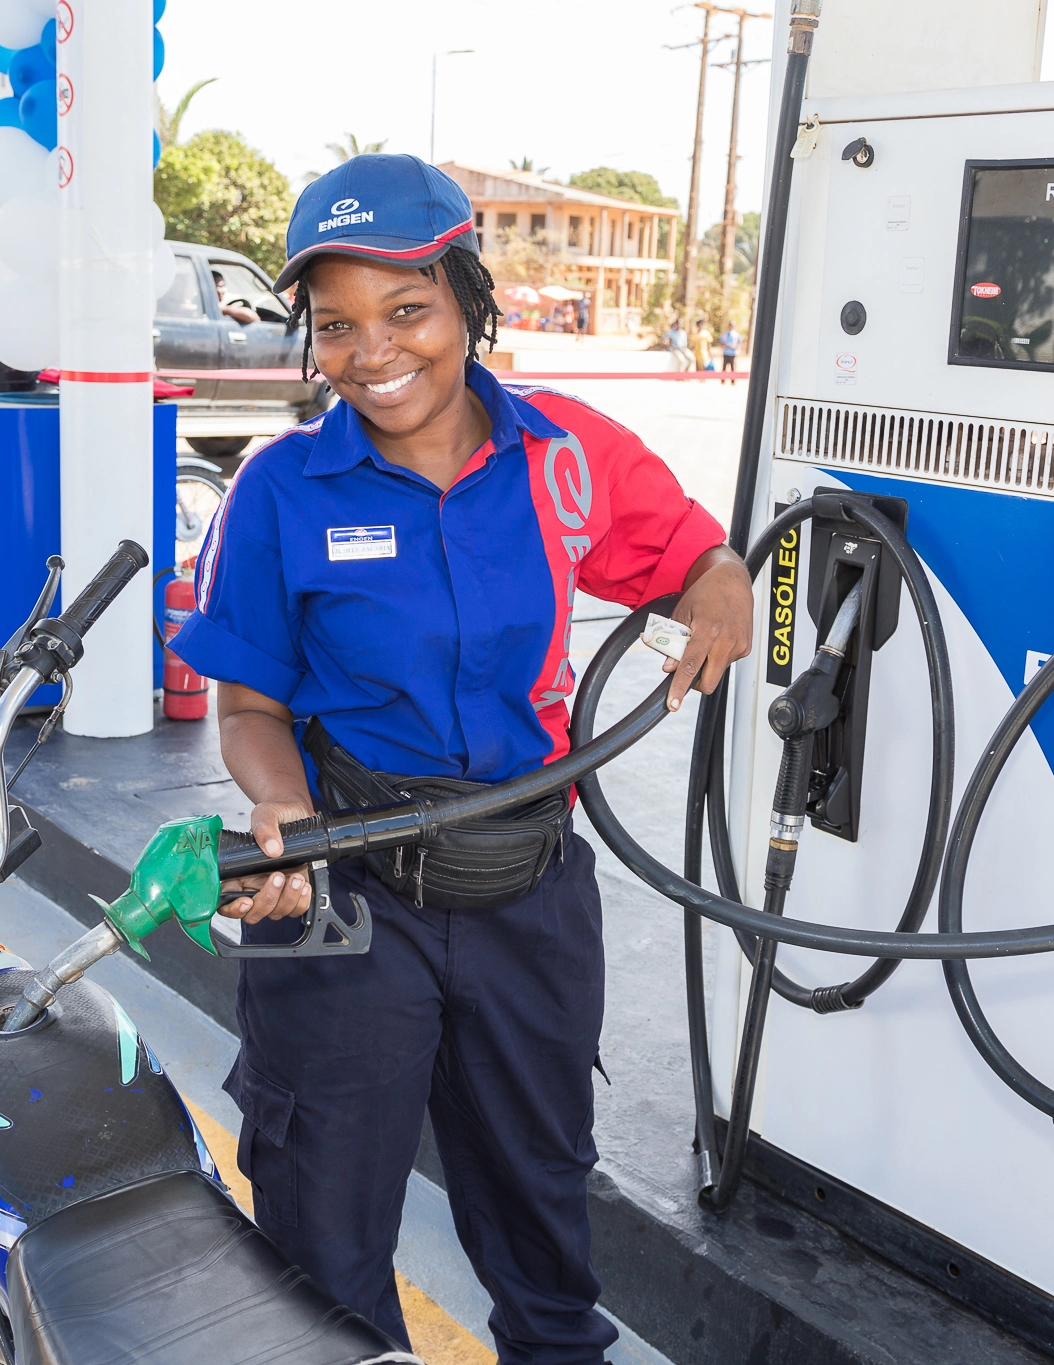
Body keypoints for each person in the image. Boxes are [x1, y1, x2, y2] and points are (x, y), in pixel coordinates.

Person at [169, 153, 754, 1365]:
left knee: (541, 1222)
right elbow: (247, 704)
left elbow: (692, 555)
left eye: (406, 311)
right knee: (321, 1244)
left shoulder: (562, 455)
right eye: (336, 326)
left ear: (467, 301)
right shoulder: (279, 489)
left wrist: (722, 586)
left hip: (523, 895)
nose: (373, 351)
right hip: (344, 894)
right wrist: (282, 816)